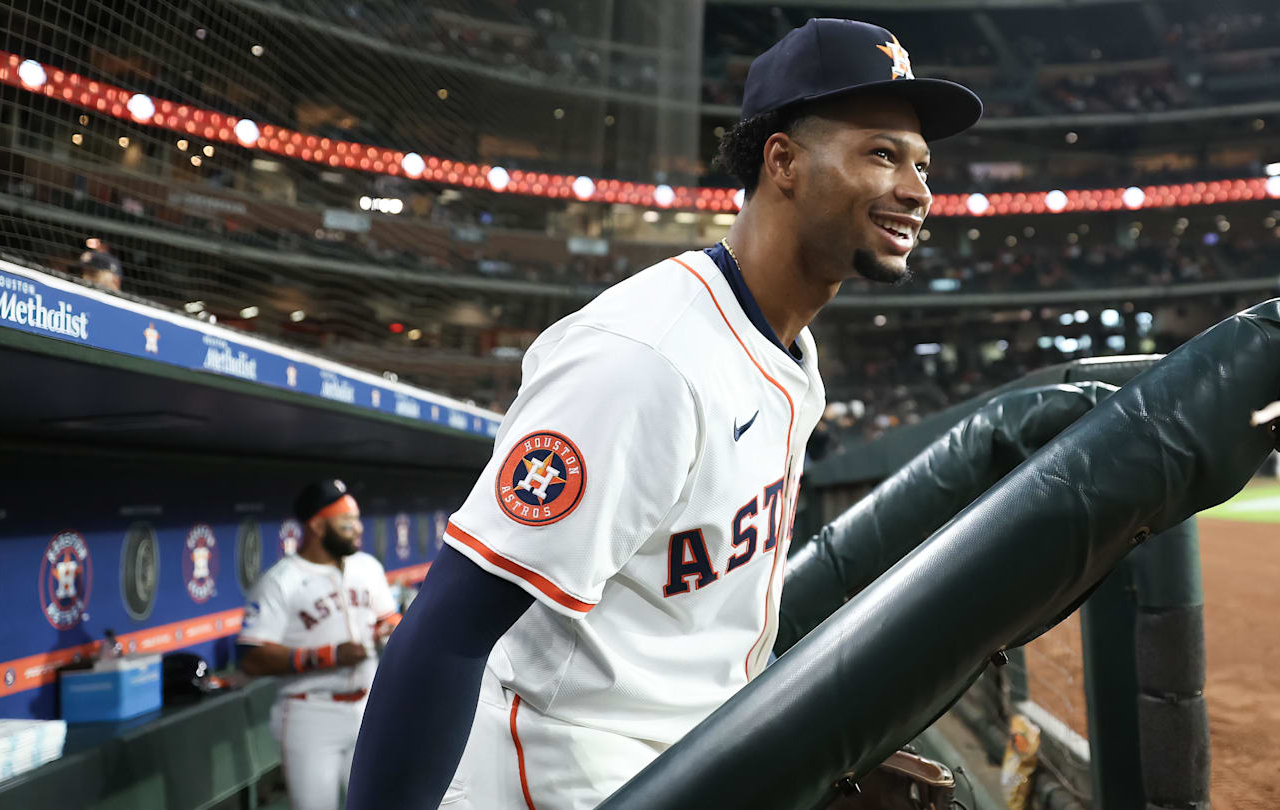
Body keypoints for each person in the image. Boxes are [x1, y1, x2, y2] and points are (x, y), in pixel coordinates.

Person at [347, 18, 981, 810]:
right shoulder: (646, 359)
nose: (918, 190)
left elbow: (694, 634)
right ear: (782, 161)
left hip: (683, 765)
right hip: (562, 781)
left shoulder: (789, 351)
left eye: (922, 163)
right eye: (882, 154)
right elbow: (444, 634)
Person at [239, 480, 400, 810]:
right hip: (310, 713)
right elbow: (252, 658)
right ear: (316, 525)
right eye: (346, 523)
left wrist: (393, 629)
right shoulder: (282, 580)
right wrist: (325, 655)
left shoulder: (367, 567)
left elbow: (388, 619)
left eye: (357, 520)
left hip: (367, 709)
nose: (357, 530)